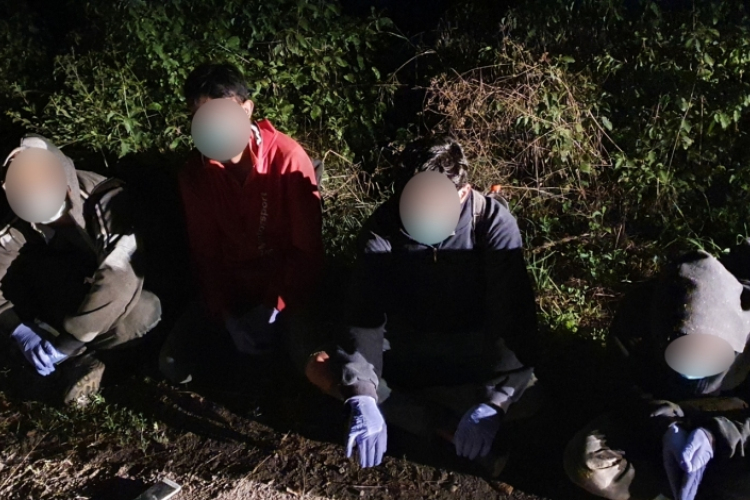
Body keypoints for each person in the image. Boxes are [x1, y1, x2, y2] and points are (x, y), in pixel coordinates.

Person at [304, 135, 543, 473]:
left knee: (528, 395)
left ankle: (417, 414)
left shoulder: (492, 225)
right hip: (407, 345)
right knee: (321, 366)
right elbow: (364, 314)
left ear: (463, 193)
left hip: (471, 348)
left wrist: (496, 400)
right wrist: (361, 394)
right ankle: (440, 423)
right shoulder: (383, 227)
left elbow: (512, 317)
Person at [159, 62, 324, 385]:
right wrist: (227, 316)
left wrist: (274, 306)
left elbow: (307, 250)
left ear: (246, 109)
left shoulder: (287, 158)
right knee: (173, 363)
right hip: (234, 293)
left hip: (287, 289)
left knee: (310, 356)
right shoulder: (195, 176)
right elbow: (206, 255)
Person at [564, 248, 750, 500]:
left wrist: (716, 436)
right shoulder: (638, 317)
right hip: (659, 420)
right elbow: (621, 388)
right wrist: (665, 426)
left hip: (732, 429)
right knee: (587, 461)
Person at [0, 134, 162, 406]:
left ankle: (91, 361)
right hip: (70, 288)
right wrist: (16, 327)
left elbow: (120, 277)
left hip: (123, 288)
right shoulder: (20, 219)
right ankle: (77, 359)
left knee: (143, 313)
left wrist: (68, 343)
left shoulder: (106, 198)